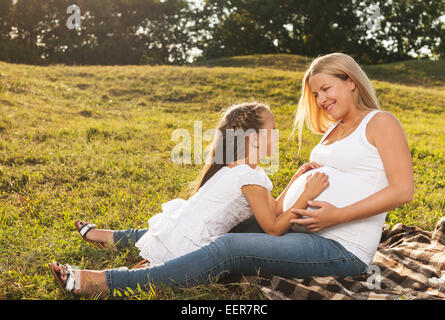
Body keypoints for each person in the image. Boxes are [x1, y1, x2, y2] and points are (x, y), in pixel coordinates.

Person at [49, 53, 415, 298]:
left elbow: (403, 190)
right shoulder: (332, 131)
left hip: (339, 247)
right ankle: (122, 240)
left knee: (229, 247)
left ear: (350, 81)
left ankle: (107, 282)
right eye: (315, 94)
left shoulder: (380, 122)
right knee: (211, 220)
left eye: (326, 89)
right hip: (298, 227)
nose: (320, 100)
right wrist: (298, 181)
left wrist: (336, 215)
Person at [50, 101, 329, 295]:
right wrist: (307, 194)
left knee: (148, 276)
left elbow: (274, 209)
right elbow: (273, 227)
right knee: (149, 281)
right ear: (254, 139)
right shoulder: (250, 178)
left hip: (177, 237)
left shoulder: (237, 169)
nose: (277, 134)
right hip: (191, 249)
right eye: (273, 128)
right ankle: (92, 280)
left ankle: (105, 266)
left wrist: (295, 179)